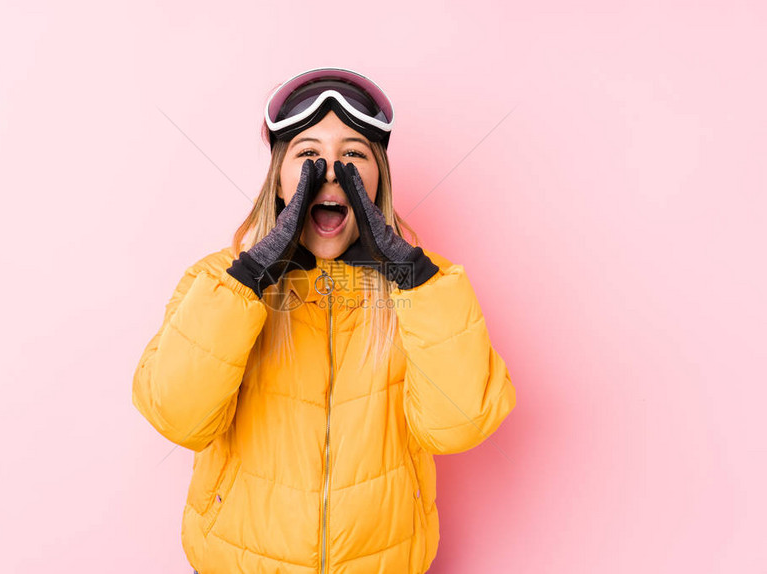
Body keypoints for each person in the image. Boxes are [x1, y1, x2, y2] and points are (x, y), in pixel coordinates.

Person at [132, 66, 516, 574]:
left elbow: (459, 426)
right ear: (279, 179)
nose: (331, 171)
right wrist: (251, 277)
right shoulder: (217, 282)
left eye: (354, 155)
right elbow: (178, 416)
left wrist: (413, 277)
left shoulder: (427, 289)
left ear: (378, 178)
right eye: (308, 154)